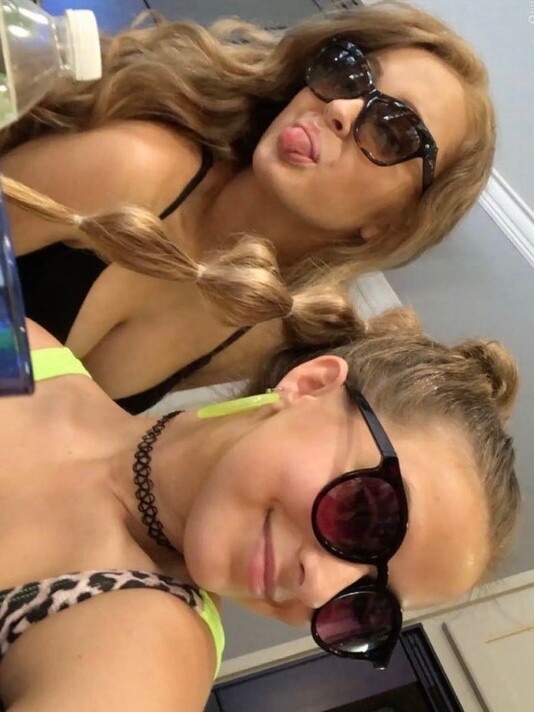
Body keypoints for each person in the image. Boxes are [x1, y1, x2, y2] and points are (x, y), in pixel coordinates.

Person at [0, 307, 520, 711]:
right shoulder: (26, 345)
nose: (319, 591)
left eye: (366, 607)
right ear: (311, 385)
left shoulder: (148, 641)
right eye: (365, 515)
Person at [1, 1, 495, 412]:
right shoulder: (131, 167)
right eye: (349, 73)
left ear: (393, 224)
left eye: (392, 131)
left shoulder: (266, 329)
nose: (340, 109)